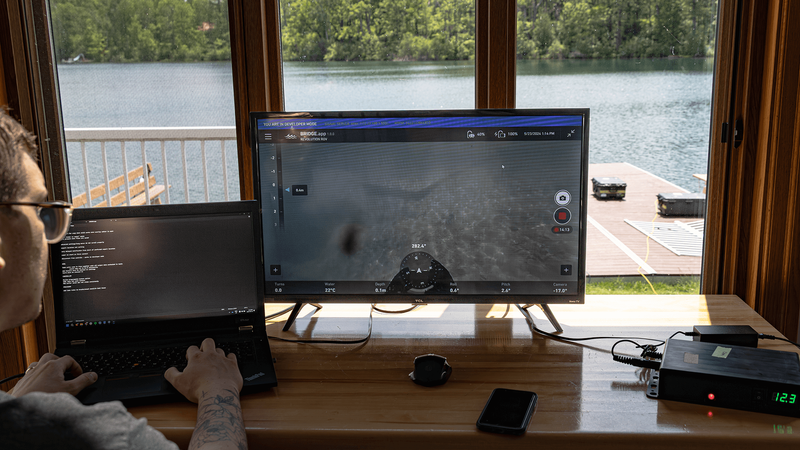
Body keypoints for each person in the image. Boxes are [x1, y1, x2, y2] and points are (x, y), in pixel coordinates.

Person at [0, 108, 248, 450]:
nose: (51, 235)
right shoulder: (97, 436)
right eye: (40, 210)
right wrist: (218, 392)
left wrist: (19, 401)